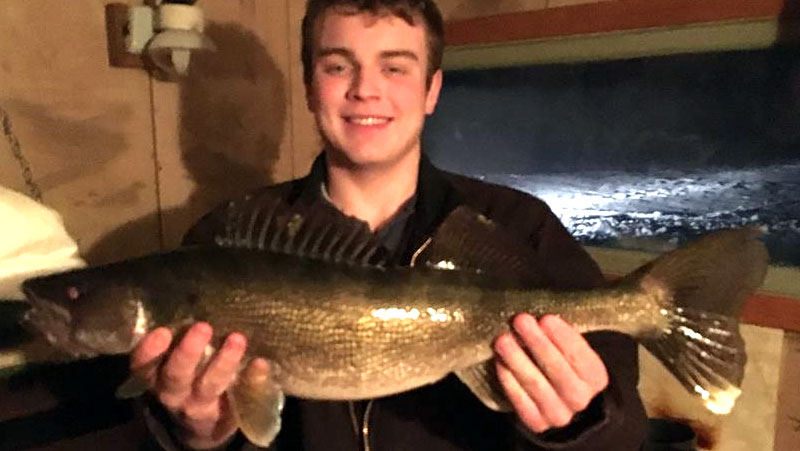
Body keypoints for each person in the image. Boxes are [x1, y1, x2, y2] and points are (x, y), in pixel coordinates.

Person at [134, 1, 648, 449]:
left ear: (432, 90)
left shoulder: (519, 226)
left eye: (395, 68)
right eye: (338, 66)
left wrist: (578, 424)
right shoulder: (223, 240)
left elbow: (623, 431)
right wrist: (202, 433)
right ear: (312, 87)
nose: (365, 90)